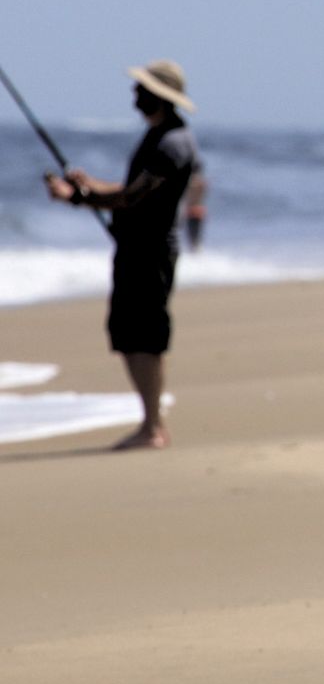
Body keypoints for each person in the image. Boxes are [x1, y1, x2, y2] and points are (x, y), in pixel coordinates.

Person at [44, 60, 199, 451]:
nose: (134, 94)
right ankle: (151, 423)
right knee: (129, 336)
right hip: (136, 248)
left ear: (158, 96)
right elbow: (132, 189)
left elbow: (134, 197)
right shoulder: (160, 136)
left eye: (141, 89)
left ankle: (153, 428)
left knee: (145, 338)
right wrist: (90, 185)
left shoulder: (172, 144)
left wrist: (77, 197)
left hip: (150, 252)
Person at [183, 167, 208, 251]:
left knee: (191, 235)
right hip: (199, 211)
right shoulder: (202, 182)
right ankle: (196, 252)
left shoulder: (191, 183)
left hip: (192, 211)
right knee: (196, 235)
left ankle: (195, 252)